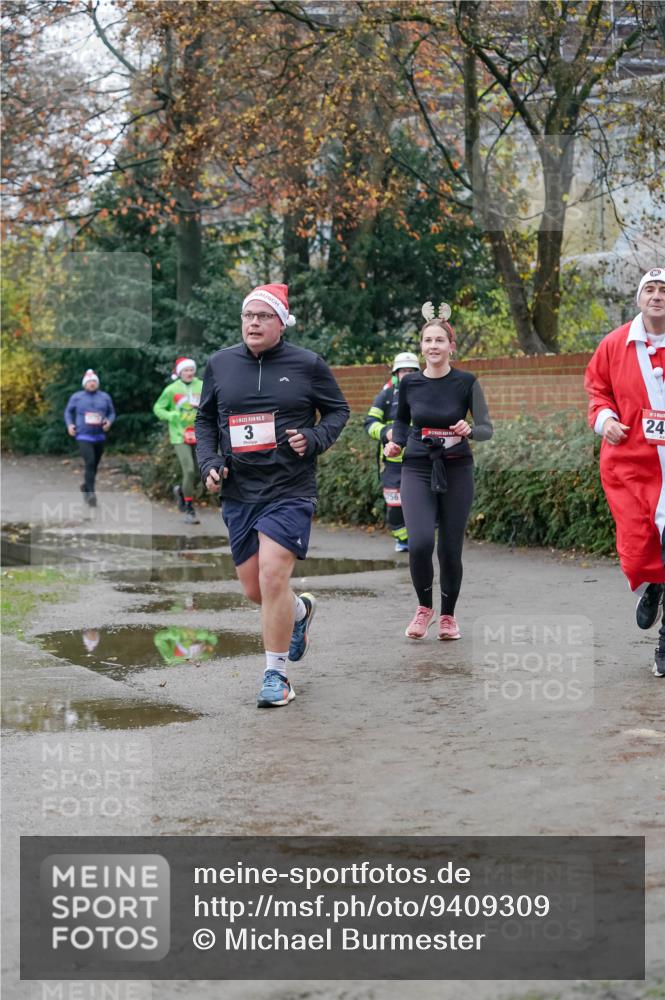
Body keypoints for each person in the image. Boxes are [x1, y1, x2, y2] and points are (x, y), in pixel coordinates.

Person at [195, 283, 350, 707]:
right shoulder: (221, 364)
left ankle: (276, 676)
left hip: (290, 488)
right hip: (240, 490)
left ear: (281, 322)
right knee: (255, 589)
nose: (254, 323)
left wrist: (315, 437)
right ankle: (299, 613)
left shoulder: (307, 364)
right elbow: (205, 419)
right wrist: (209, 464)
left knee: (272, 576)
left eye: (264, 316)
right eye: (249, 316)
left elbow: (338, 410)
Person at [385, 303, 493, 641]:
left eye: (439, 341)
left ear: (451, 346)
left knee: (449, 548)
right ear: (422, 346)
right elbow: (401, 421)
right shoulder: (411, 384)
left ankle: (447, 615)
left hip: (457, 468)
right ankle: (423, 608)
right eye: (427, 340)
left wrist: (469, 430)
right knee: (418, 543)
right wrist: (396, 443)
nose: (433, 346)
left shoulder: (466, 382)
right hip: (417, 466)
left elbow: (487, 428)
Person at [584, 267, 665, 678]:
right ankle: (652, 585)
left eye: (663, 290)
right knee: (638, 550)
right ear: (639, 299)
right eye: (650, 289)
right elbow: (597, 391)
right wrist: (606, 421)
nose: (657, 296)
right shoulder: (615, 345)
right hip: (632, 465)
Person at [364, 352, 421, 552]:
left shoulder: (426, 393)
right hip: (392, 463)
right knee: (395, 506)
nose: (407, 374)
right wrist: (385, 432)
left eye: (412, 371)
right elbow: (369, 423)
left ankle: (418, 539)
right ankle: (402, 538)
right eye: (403, 371)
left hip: (420, 460)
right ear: (396, 374)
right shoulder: (386, 396)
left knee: (420, 502)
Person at [153, 357, 203, 525]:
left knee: (199, 472)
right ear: (179, 372)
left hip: (200, 433)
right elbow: (158, 407)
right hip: (179, 434)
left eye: (191, 370)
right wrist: (170, 415)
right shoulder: (172, 389)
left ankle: (181, 491)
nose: (189, 373)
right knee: (188, 471)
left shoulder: (202, 385)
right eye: (185, 370)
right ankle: (189, 509)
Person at [64, 369, 115, 507]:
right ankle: (91, 493)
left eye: (94, 382)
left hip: (99, 435)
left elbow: (112, 412)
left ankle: (86, 486)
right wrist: (70, 425)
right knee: (90, 461)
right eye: (89, 382)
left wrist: (109, 422)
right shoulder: (77, 397)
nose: (92, 384)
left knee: (95, 464)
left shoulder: (104, 397)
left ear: (97, 383)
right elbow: (68, 412)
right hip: (83, 435)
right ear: (84, 384)